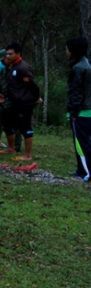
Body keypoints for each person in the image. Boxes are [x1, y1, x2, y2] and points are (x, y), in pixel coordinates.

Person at [3, 43, 40, 161]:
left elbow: (33, 86)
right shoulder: (12, 67)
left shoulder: (23, 67)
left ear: (18, 54)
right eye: (7, 54)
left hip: (25, 103)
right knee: (8, 124)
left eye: (10, 54)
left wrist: (36, 97)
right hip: (13, 102)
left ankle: (28, 155)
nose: (8, 56)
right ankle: (11, 148)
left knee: (25, 127)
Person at [66, 37, 91, 182]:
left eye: (67, 48)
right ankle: (81, 169)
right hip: (86, 111)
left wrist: (73, 112)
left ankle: (86, 174)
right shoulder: (86, 64)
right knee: (82, 143)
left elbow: (76, 92)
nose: (66, 51)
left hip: (82, 113)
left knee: (82, 145)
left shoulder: (78, 68)